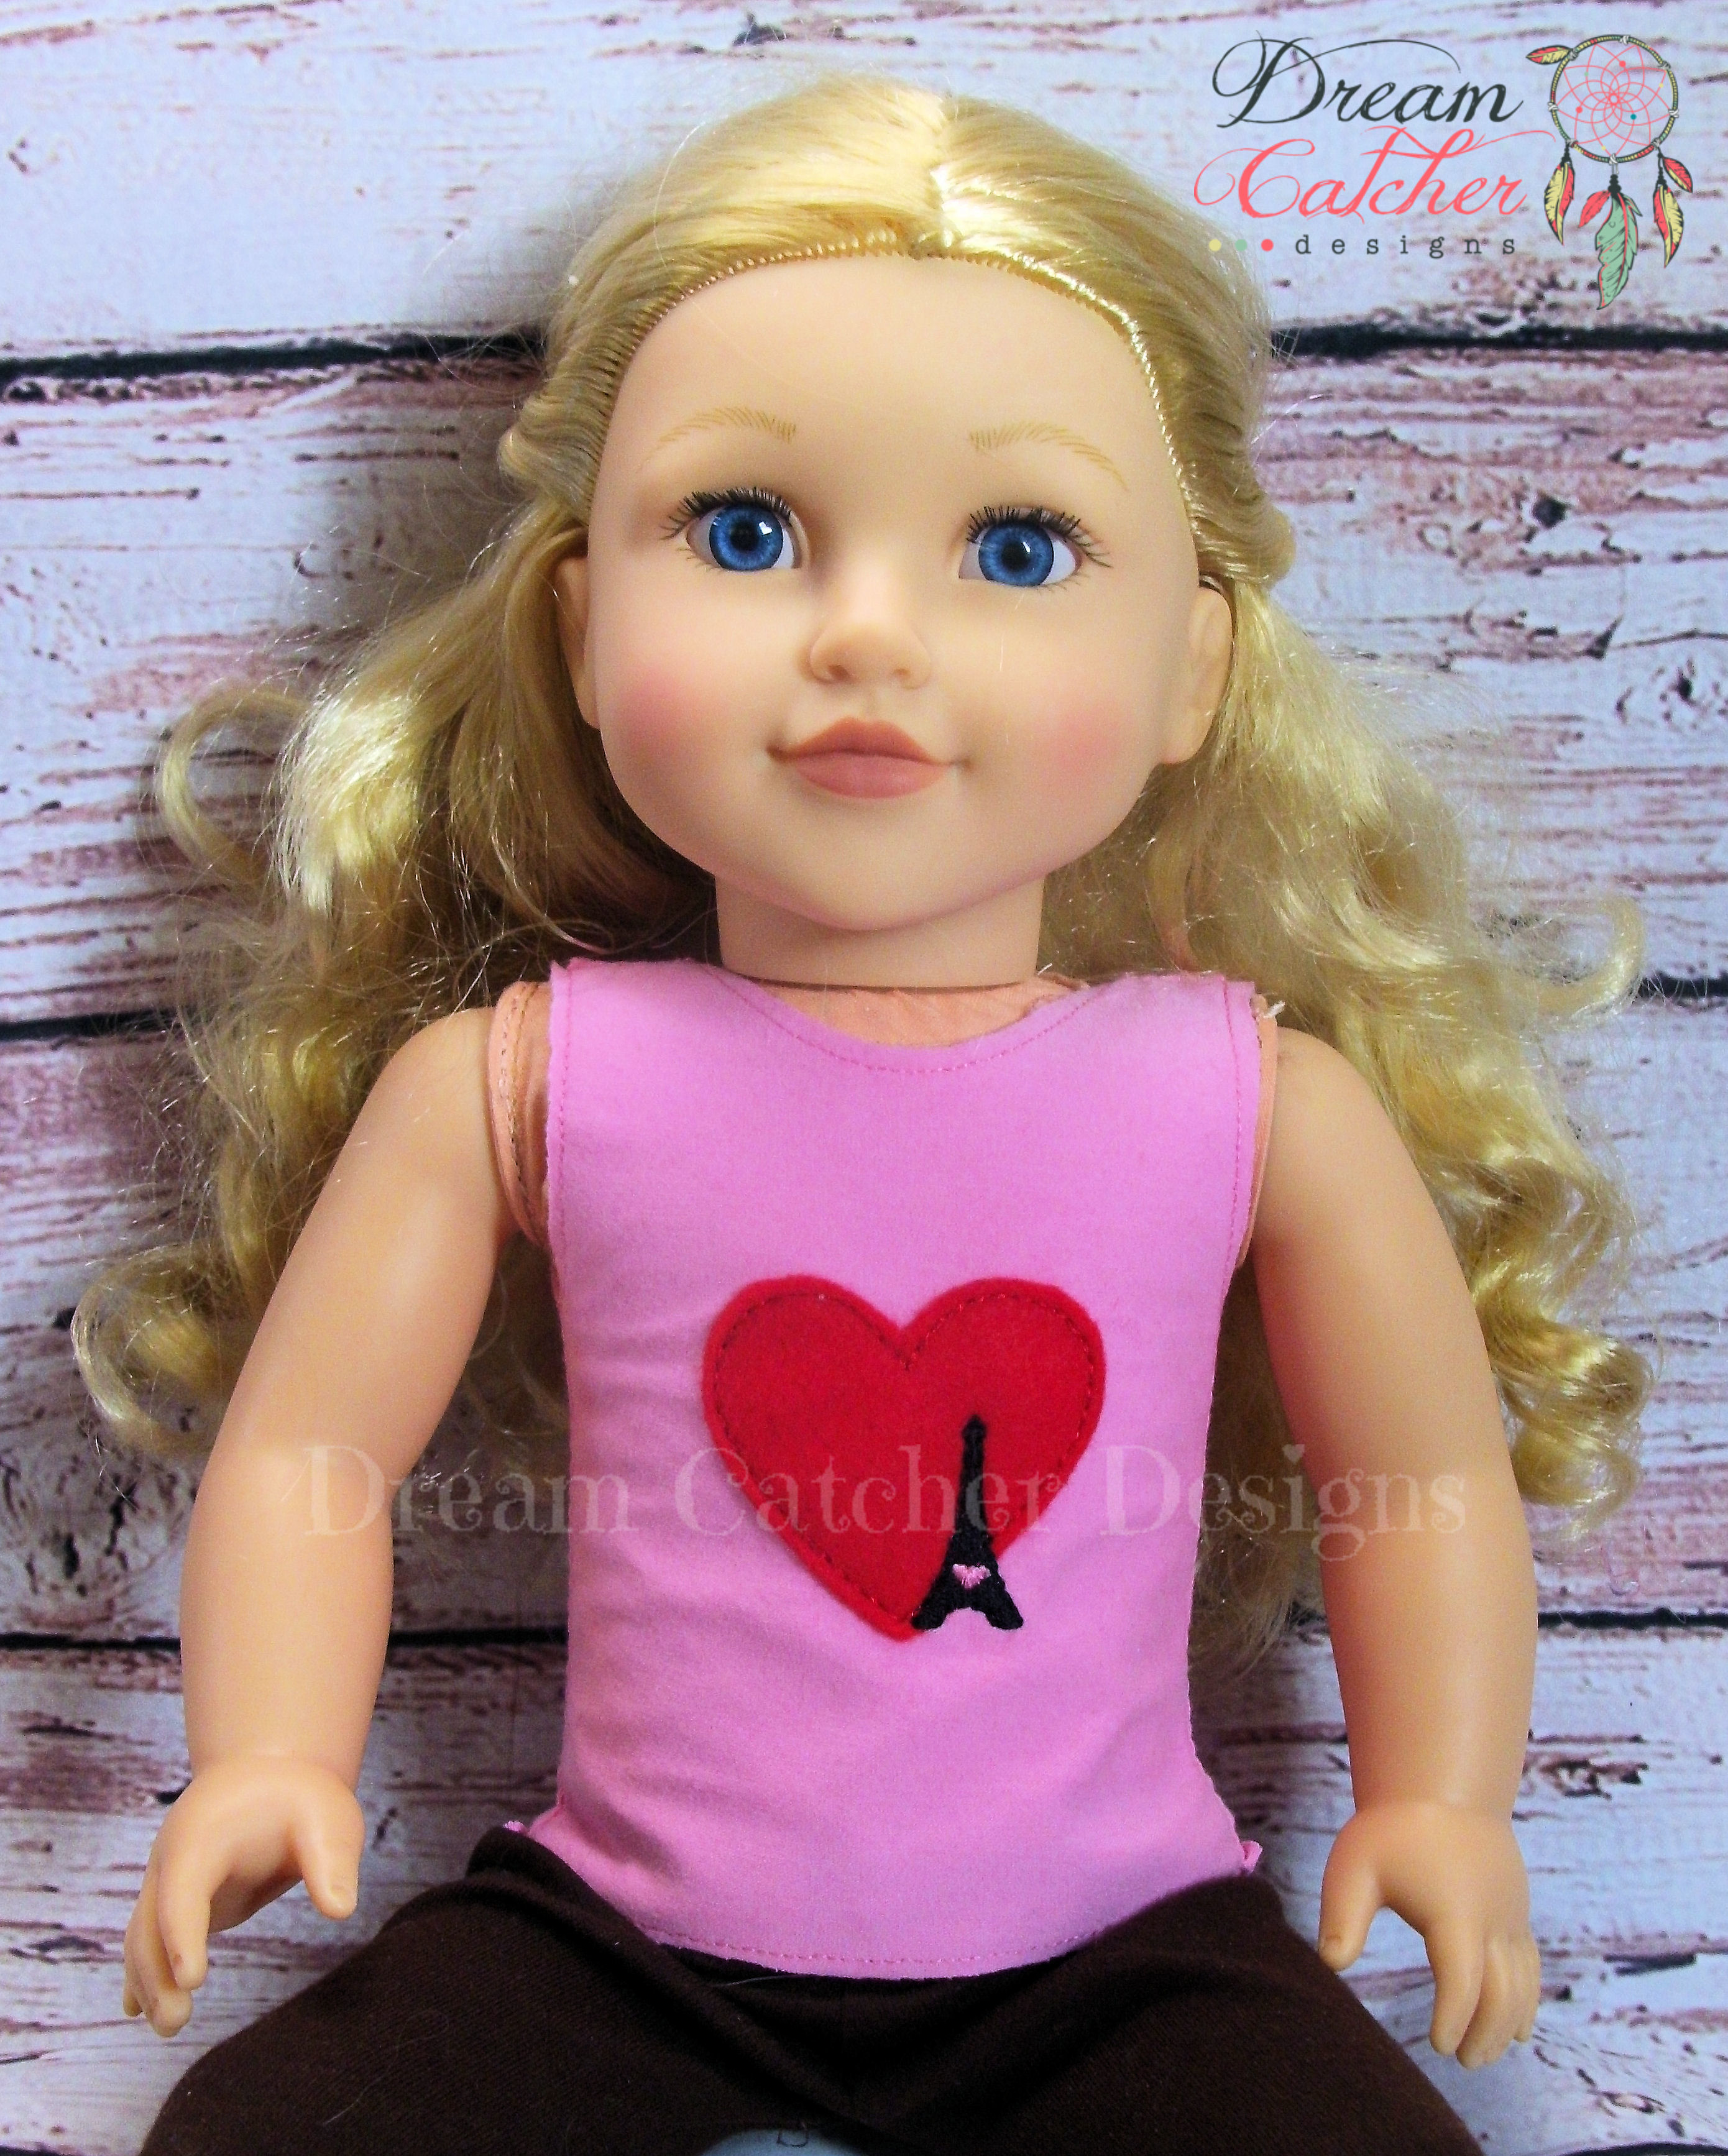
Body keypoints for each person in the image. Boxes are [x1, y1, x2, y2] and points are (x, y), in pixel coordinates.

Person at [77, 74, 1647, 2156]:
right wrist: (267, 1755)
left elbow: (1420, 1479)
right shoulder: (529, 1078)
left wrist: (1440, 1799)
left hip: (1119, 1939)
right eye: (744, 532)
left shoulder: (1246, 1095)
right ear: (579, 629)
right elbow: (309, 1452)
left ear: (1192, 670)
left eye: (1017, 548)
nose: (867, 637)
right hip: (629, 1934)